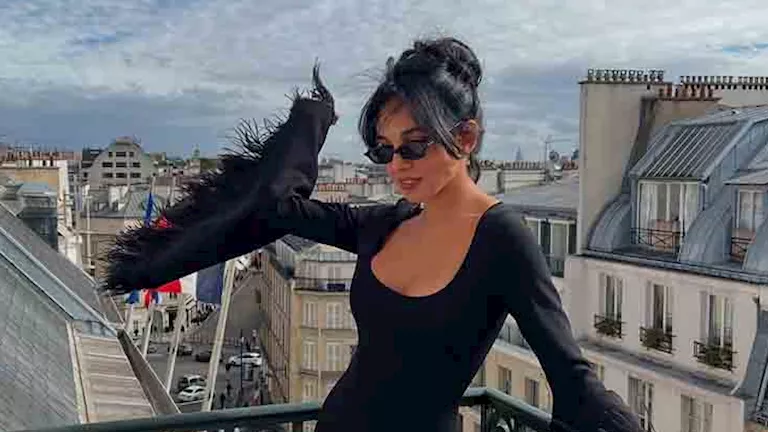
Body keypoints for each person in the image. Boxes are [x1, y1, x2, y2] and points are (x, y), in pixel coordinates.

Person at [103, 37, 641, 432]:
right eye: (384, 149)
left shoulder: (503, 238)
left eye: (414, 145)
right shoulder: (385, 224)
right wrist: (314, 117)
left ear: (466, 137)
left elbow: (571, 379)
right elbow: (277, 207)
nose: (397, 165)